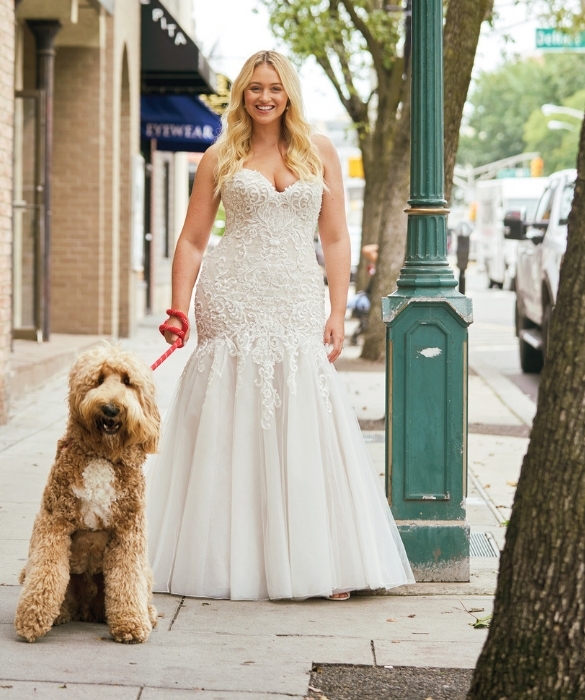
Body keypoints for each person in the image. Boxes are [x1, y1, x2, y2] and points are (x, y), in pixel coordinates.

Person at [145, 50, 414, 601]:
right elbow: (194, 239)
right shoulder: (219, 155)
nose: (264, 97)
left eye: (274, 87)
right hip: (232, 292)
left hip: (295, 292)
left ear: (288, 93)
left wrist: (337, 310)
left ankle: (319, 562)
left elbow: (336, 238)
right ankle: (226, 558)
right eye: (253, 88)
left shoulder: (320, 152)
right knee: (233, 409)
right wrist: (178, 307)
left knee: (301, 409)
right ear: (241, 94)